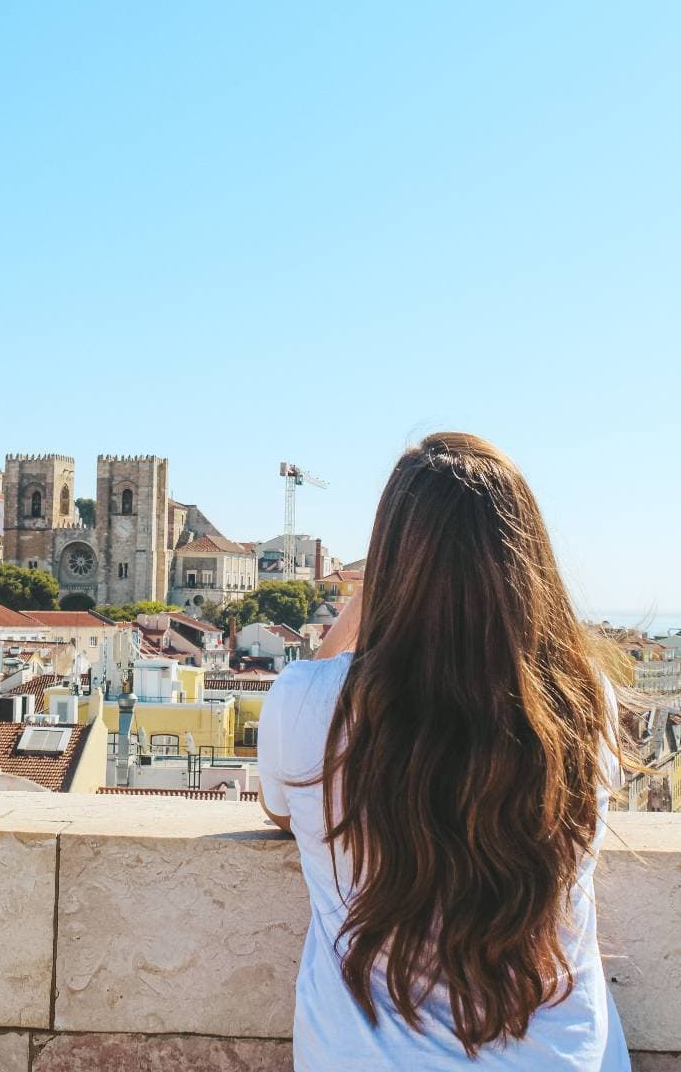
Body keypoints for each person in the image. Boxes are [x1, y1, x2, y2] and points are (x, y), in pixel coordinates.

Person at [258, 433, 629, 1071]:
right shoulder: (583, 702)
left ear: (388, 563)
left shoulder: (307, 702)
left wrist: (365, 595)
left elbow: (283, 810)